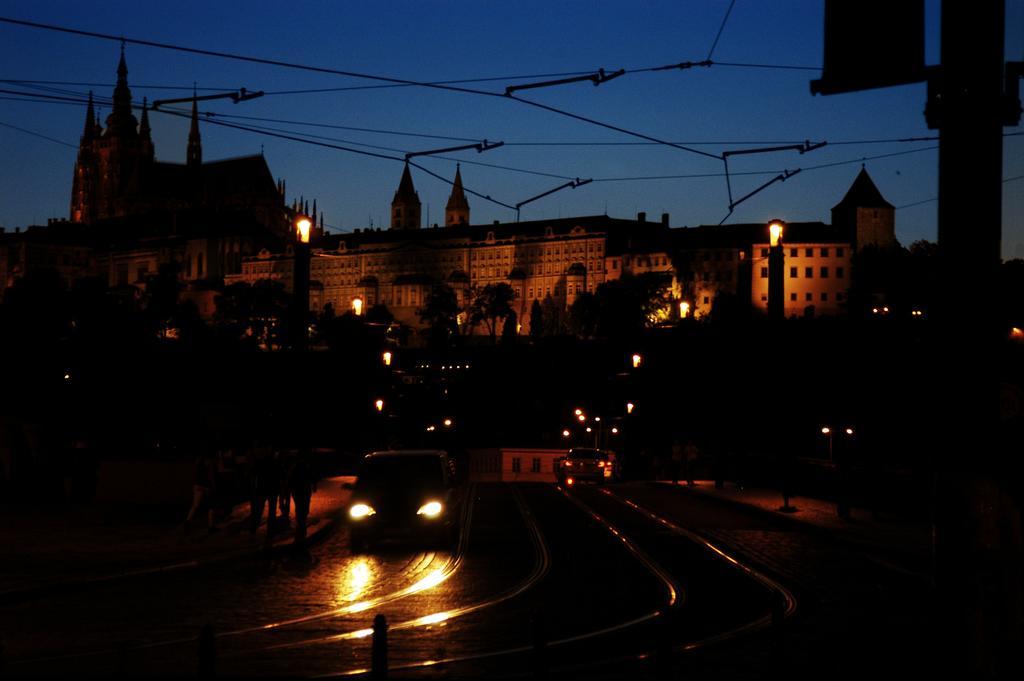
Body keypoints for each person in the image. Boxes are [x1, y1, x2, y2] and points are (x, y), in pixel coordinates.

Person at [185, 450, 217, 532]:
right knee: (211, 505)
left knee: (195, 505)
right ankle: (211, 526)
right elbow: (211, 475)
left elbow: (195, 474)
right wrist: (213, 485)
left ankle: (187, 522)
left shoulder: (198, 462)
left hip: (198, 485)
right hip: (206, 486)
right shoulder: (209, 462)